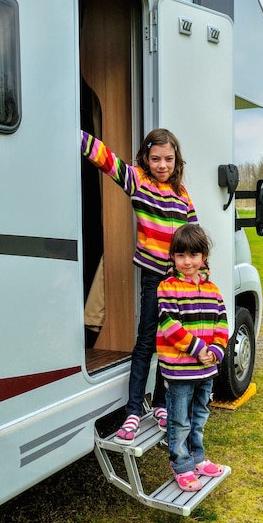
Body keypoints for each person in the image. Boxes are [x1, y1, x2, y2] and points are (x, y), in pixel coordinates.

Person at [81, 129, 198, 444]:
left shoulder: (183, 194)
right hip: (153, 278)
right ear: (146, 159)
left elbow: (193, 238)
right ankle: (133, 410)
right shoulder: (137, 181)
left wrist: (202, 274)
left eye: (169, 159)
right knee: (146, 341)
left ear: (177, 160)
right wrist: (75, 134)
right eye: (156, 158)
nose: (162, 165)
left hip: (178, 282)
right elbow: (107, 160)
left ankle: (160, 402)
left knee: (169, 343)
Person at [156, 224, 229, 491]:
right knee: (179, 419)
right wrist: (199, 349)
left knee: (200, 415)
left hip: (206, 370)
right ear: (173, 257)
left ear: (204, 257)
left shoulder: (213, 290)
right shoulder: (167, 287)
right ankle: (182, 464)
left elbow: (222, 323)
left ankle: (197, 459)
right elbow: (170, 325)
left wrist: (216, 351)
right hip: (179, 370)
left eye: (193, 255)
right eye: (181, 255)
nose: (187, 262)